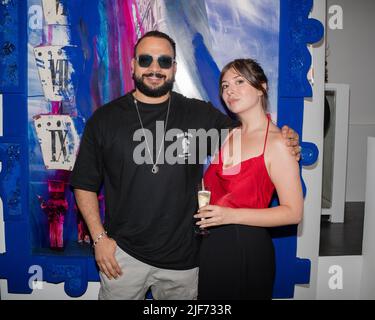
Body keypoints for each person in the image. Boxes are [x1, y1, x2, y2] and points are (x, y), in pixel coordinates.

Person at [70, 31, 300, 300]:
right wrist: (99, 240)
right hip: (123, 257)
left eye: (164, 62)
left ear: (174, 69)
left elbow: (251, 133)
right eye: (145, 60)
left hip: (185, 262)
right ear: (132, 65)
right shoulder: (105, 119)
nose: (155, 68)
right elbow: (84, 183)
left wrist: (287, 137)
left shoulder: (200, 114)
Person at [194, 58, 304, 300]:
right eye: (224, 86)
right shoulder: (228, 135)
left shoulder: (278, 143)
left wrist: (230, 215)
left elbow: (293, 212)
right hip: (212, 248)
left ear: (261, 87)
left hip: (247, 251)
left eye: (239, 81)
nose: (230, 90)